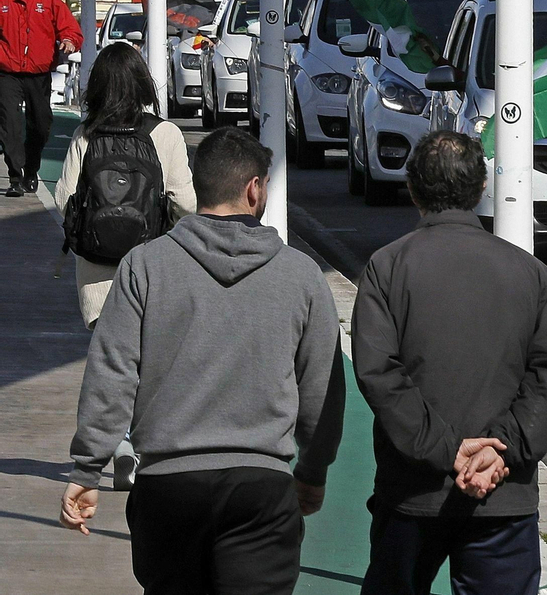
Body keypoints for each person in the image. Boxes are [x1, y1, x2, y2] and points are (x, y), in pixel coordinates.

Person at [61, 126, 345, 595]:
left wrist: (88, 468)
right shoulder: (301, 275)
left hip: (167, 488)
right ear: (255, 188)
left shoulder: (144, 265)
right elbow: (322, 391)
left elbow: (112, 372)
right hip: (261, 485)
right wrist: (313, 472)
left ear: (198, 184)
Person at [353, 131, 547, 595]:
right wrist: (500, 449)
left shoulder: (387, 267)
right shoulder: (530, 273)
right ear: (480, 189)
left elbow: (379, 372)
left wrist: (446, 450)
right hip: (503, 495)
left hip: (413, 493)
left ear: (413, 189)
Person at [57, 43, 198, 329]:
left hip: (96, 275)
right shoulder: (165, 133)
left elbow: (63, 200)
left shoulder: (85, 135)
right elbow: (186, 203)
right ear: (142, 83)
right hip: (152, 268)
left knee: (107, 360)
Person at [0, 0, 80, 196]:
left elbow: (70, 29)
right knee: (9, 124)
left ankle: (31, 170)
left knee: (41, 124)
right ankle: (15, 176)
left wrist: (68, 40)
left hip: (38, 74)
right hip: (7, 74)